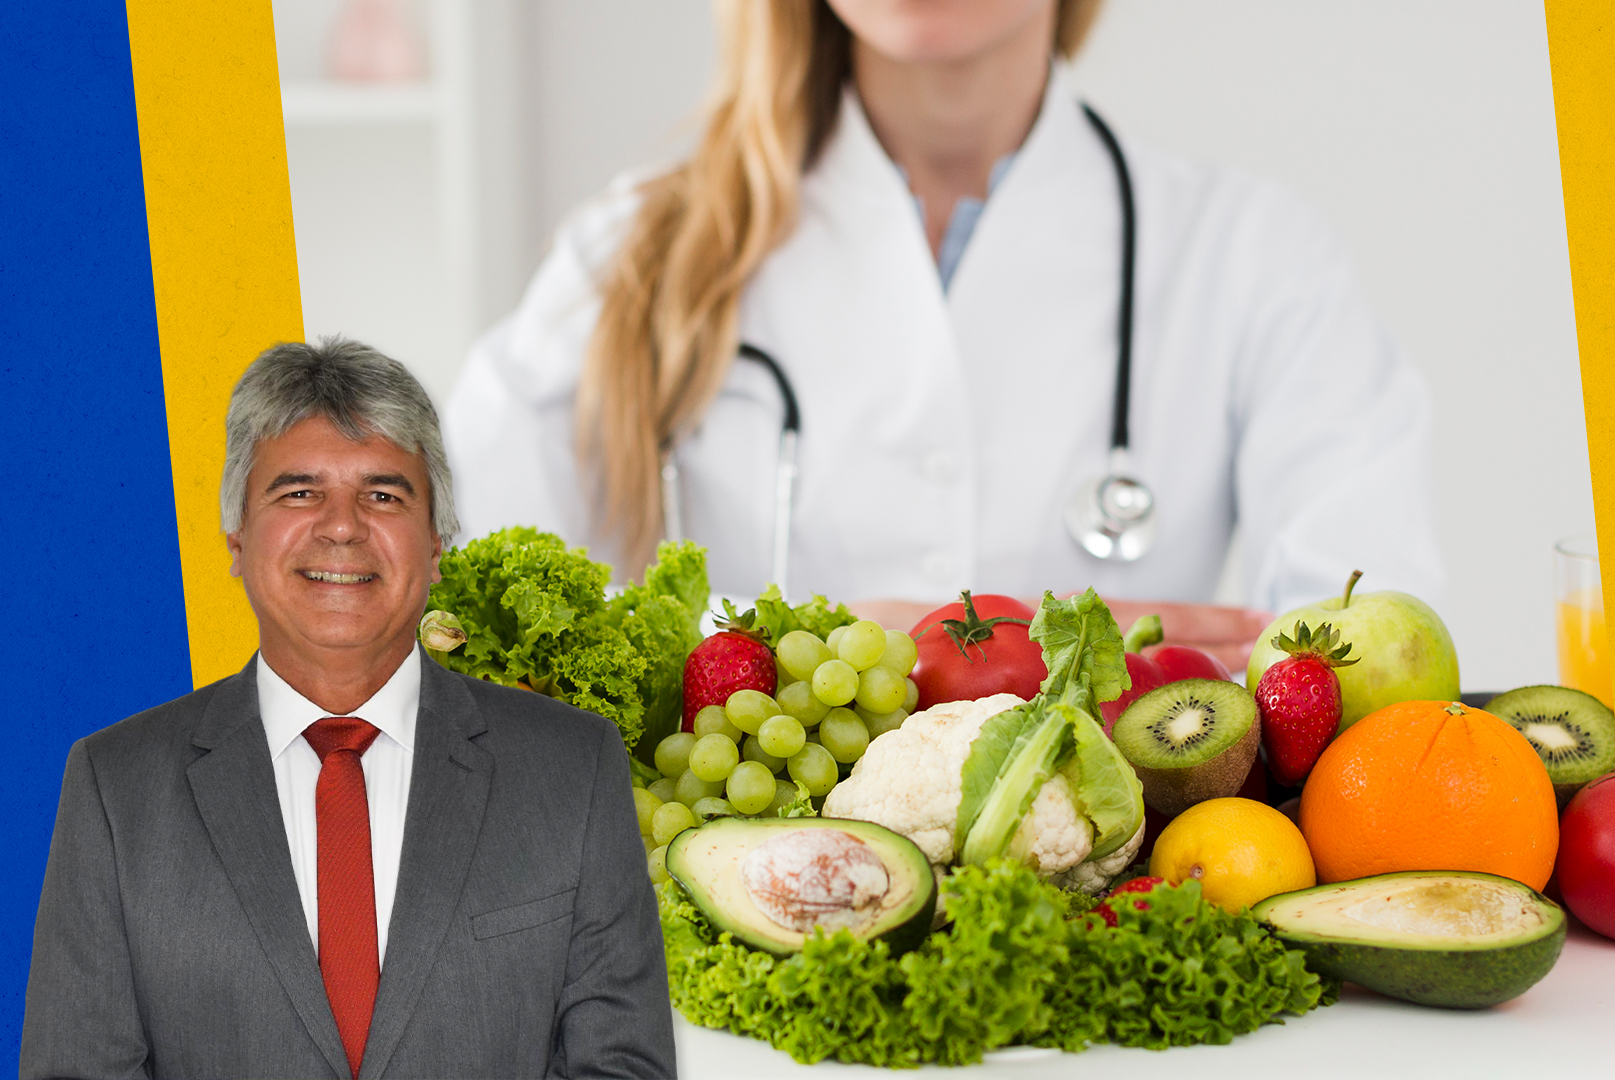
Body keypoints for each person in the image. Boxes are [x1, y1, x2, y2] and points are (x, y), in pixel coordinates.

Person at [444, 0, 1443, 669]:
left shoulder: (1252, 256)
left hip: (1101, 938)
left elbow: (1372, 658)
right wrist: (816, 647)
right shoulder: (626, 257)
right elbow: (444, 626)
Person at [21, 340, 676, 1078]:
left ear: (435, 545)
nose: (341, 525)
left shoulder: (572, 766)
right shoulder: (116, 786)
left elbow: (622, 1067)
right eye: (298, 492)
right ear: (236, 536)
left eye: (384, 494)